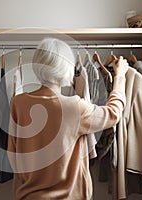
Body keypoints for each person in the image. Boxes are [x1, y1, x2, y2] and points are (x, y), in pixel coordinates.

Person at [7, 38, 128, 200]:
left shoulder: (19, 103)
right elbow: (113, 113)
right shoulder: (75, 107)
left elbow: (13, 155)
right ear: (66, 67)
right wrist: (119, 77)